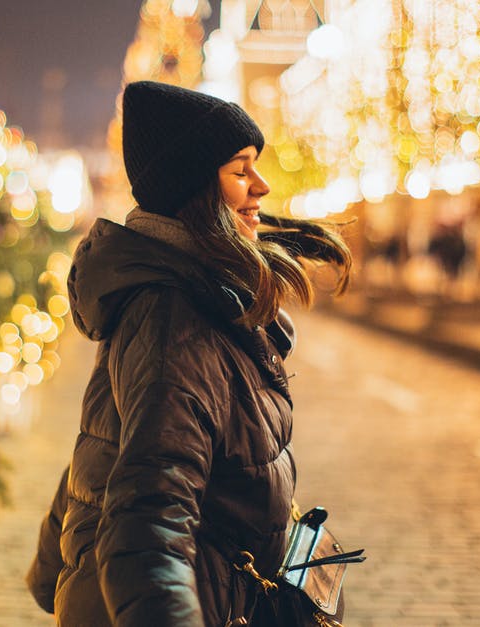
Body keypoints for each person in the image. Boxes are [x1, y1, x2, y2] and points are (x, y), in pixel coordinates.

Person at [26, 81, 352, 626]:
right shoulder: (178, 316)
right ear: (196, 188)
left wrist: (51, 566)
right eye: (240, 170)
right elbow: (149, 518)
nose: (262, 186)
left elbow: (123, 444)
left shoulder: (187, 291)